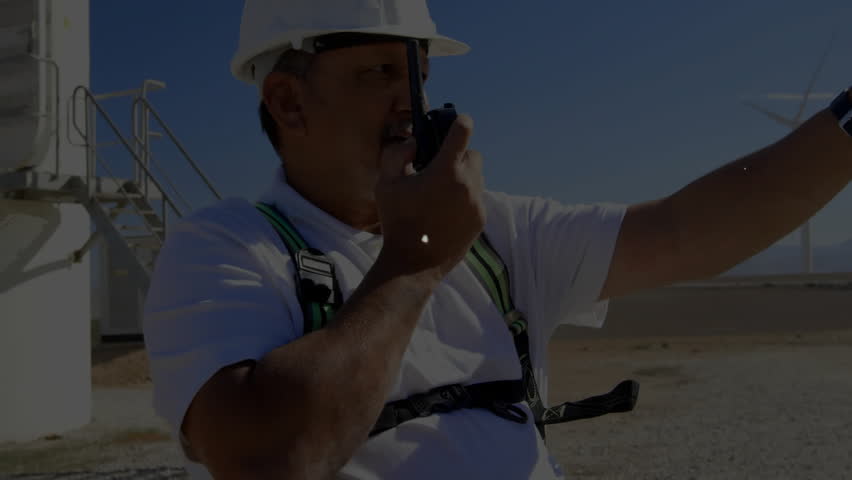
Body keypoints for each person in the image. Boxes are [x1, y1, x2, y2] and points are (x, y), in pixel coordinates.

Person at [142, 1, 852, 478]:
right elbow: (266, 460)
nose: (413, 103)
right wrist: (415, 262)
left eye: (419, 76)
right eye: (380, 72)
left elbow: (687, 230)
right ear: (288, 102)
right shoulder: (225, 248)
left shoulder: (498, 230)